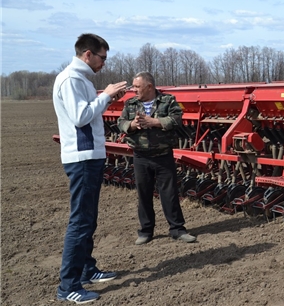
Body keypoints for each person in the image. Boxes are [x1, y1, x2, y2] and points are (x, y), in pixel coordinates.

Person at [53, 33, 127, 303]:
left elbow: (87, 110)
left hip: (89, 156)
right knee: (81, 221)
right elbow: (81, 116)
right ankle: (68, 286)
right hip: (82, 158)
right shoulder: (72, 79)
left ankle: (86, 269)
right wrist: (105, 96)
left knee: (88, 218)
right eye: (102, 58)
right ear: (88, 54)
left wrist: (107, 97)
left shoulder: (80, 80)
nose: (104, 63)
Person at [117, 71, 197, 245]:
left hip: (163, 156)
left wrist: (154, 122)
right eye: (133, 86)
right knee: (143, 195)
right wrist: (132, 124)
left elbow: (177, 119)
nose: (134, 90)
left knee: (169, 194)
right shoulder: (130, 104)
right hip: (140, 156)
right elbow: (120, 123)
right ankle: (146, 231)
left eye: (137, 86)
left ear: (149, 86)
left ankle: (177, 229)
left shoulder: (168, 101)